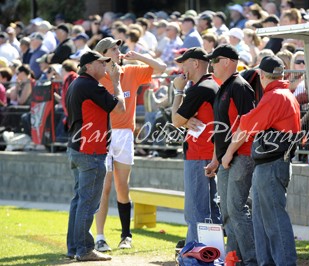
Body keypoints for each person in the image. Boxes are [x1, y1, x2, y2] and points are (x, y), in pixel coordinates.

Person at [222, 56, 300, 265]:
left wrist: (229, 151)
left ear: (263, 76)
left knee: (273, 220)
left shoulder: (275, 96)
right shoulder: (284, 94)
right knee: (263, 221)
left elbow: (247, 123)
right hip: (270, 164)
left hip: (272, 165)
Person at [93, 37, 166, 252]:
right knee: (104, 188)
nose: (118, 51)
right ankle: (100, 236)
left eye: (118, 48)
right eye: (113, 49)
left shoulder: (131, 71)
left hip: (124, 134)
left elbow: (161, 68)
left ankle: (126, 235)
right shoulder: (97, 76)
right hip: (102, 135)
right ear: (104, 55)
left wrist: (138, 56)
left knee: (122, 188)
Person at [65, 50, 126, 261]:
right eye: (101, 63)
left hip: (78, 148)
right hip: (90, 151)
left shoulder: (76, 83)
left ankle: (74, 248)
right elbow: (120, 107)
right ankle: (84, 249)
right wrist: (117, 82)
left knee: (79, 201)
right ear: (89, 66)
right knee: (88, 203)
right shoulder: (89, 84)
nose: (105, 67)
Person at [204, 44, 257, 265]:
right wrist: (217, 158)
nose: (211, 66)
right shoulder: (224, 87)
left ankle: (253, 260)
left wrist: (228, 154)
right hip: (228, 158)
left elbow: (248, 125)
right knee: (226, 212)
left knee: (236, 209)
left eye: (214, 61)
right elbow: (223, 129)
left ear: (227, 61)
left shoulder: (239, 86)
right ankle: (234, 259)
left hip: (242, 156)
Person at [170, 47, 221, 243]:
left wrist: (178, 90)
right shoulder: (213, 83)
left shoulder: (200, 88)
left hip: (200, 154)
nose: (182, 67)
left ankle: (195, 253)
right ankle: (213, 251)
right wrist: (185, 119)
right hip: (210, 153)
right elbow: (182, 119)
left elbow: (175, 120)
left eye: (184, 62)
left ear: (196, 63)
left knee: (196, 210)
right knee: (210, 208)